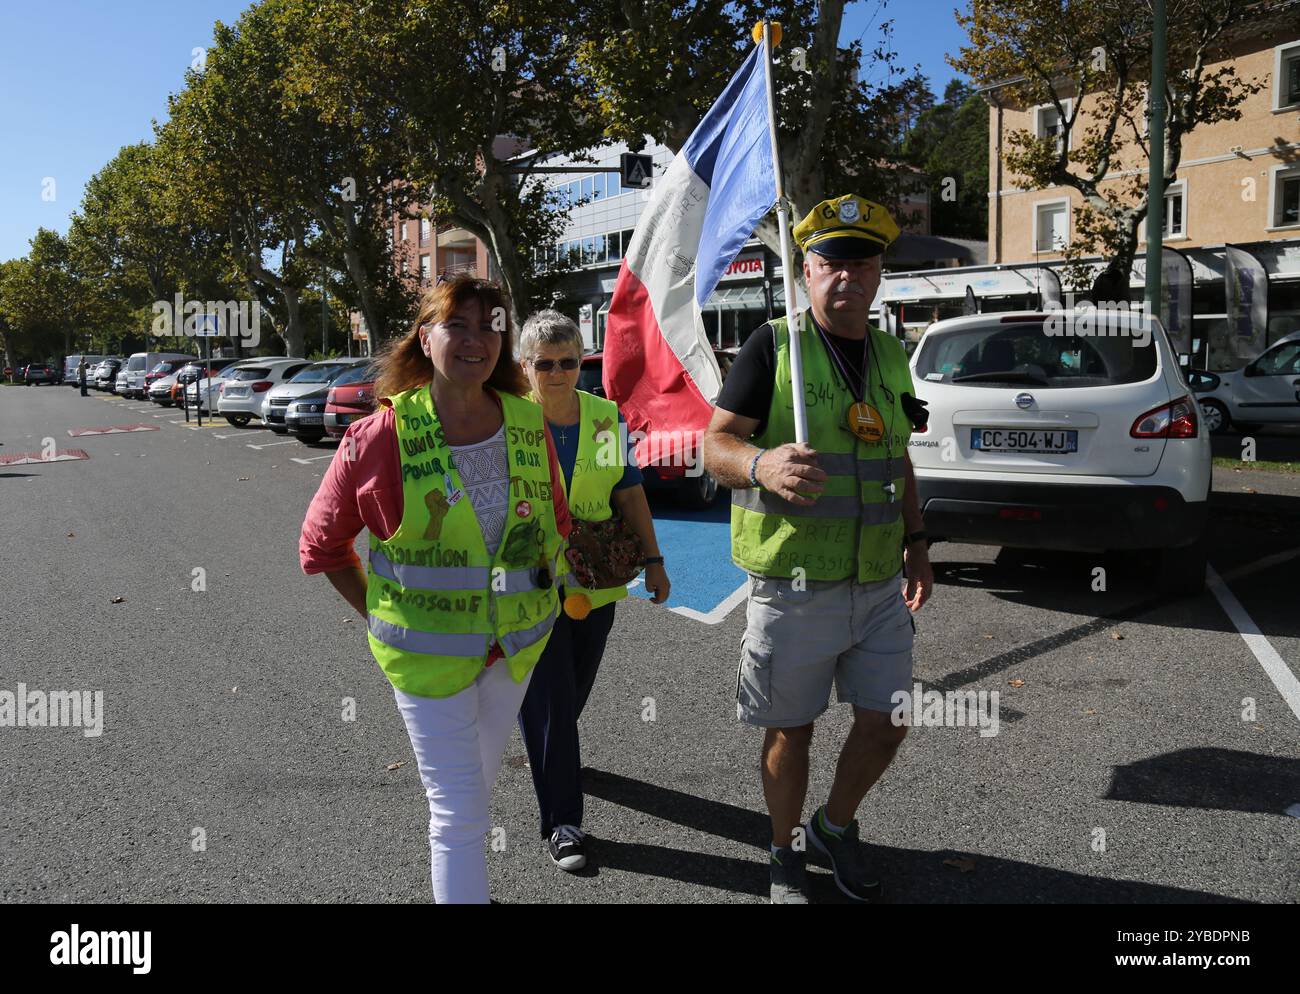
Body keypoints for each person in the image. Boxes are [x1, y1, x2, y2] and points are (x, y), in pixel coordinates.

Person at [299, 276, 571, 904]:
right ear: (426, 338)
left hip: (516, 651)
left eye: (490, 326)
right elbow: (321, 546)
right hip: (427, 660)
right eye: (459, 325)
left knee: (474, 788)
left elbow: (554, 521)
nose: (476, 339)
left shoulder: (528, 421)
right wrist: (381, 612)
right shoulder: (380, 437)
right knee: (458, 817)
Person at [701, 195, 935, 904]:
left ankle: (835, 826)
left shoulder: (893, 352)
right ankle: (783, 850)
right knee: (790, 730)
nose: (847, 277)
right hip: (794, 584)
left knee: (888, 719)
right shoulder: (774, 345)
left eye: (862, 263)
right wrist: (759, 463)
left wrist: (917, 544)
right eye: (832, 262)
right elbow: (713, 444)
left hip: (876, 583)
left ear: (879, 273)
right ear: (806, 271)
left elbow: (896, 457)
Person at [515, 309, 670, 872]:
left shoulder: (605, 418)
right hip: (530, 585)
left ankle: (550, 746)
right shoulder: (509, 419)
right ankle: (563, 822)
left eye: (569, 361)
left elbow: (629, 494)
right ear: (524, 367)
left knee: (570, 693)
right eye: (544, 364)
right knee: (554, 698)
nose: (557, 373)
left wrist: (654, 560)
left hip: (597, 582)